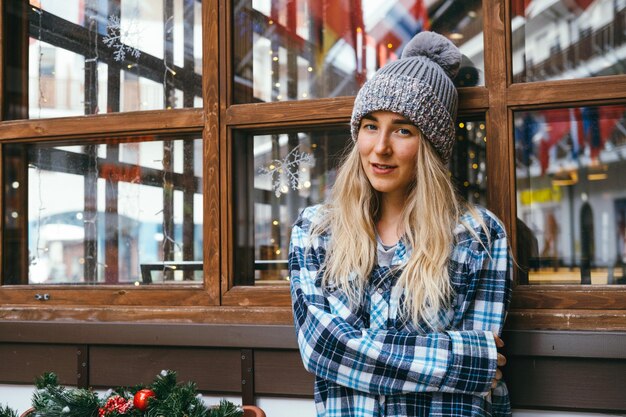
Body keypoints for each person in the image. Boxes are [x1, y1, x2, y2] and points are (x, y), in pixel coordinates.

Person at [289, 31, 513, 417]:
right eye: (370, 125)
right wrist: (468, 360)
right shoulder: (316, 231)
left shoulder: (478, 236)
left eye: (403, 130)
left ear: (431, 144)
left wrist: (355, 351)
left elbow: (470, 397)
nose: (381, 147)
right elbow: (321, 346)